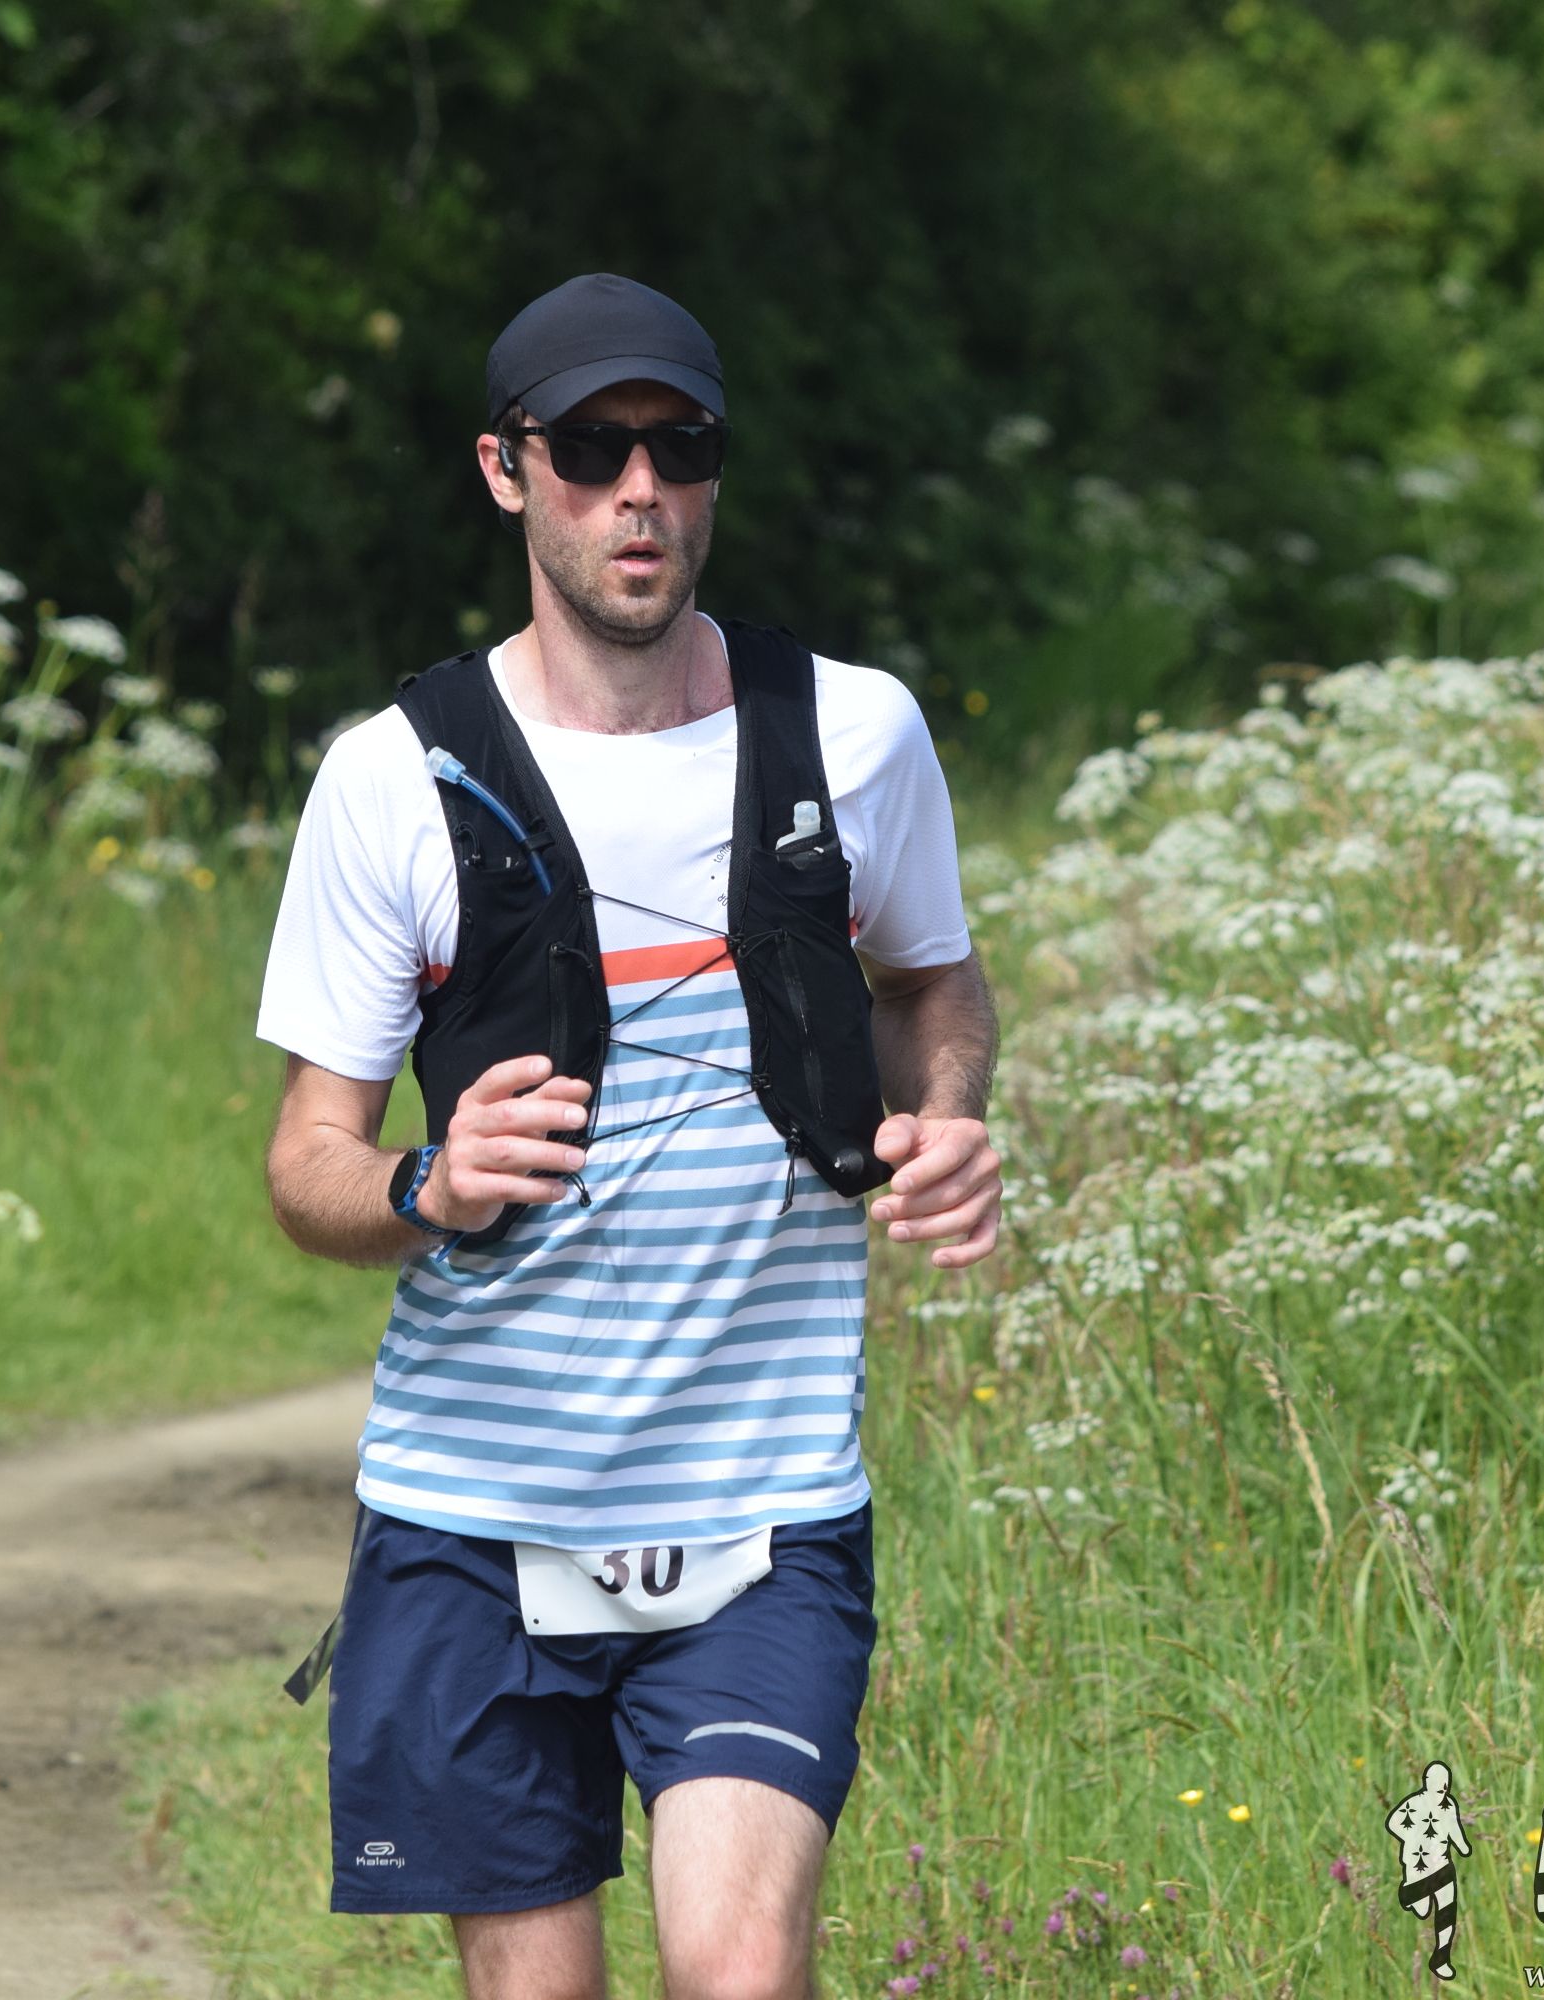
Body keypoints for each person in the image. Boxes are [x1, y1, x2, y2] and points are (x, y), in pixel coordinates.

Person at [257, 274, 1001, 1999]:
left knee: (737, 1968)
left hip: (762, 1512)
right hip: (471, 1519)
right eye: (592, 449)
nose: (640, 491)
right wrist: (426, 1183)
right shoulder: (392, 777)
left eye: (682, 446)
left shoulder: (851, 733)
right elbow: (306, 1163)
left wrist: (945, 1118)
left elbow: (932, 984)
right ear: (506, 470)